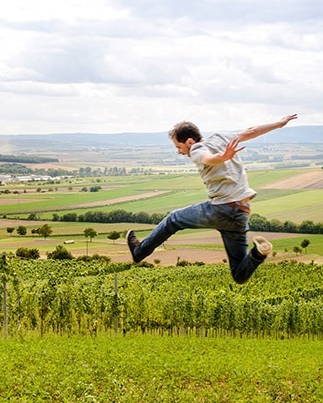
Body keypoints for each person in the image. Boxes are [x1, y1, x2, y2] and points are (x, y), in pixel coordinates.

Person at [127, 114, 297, 284]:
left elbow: (207, 158)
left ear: (189, 141)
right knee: (239, 275)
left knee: (173, 219)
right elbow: (251, 132)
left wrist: (223, 158)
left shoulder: (196, 149)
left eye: (178, 146)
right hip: (241, 212)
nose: (179, 151)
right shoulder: (222, 137)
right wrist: (279, 124)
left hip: (222, 209)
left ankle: (139, 252)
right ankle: (258, 254)